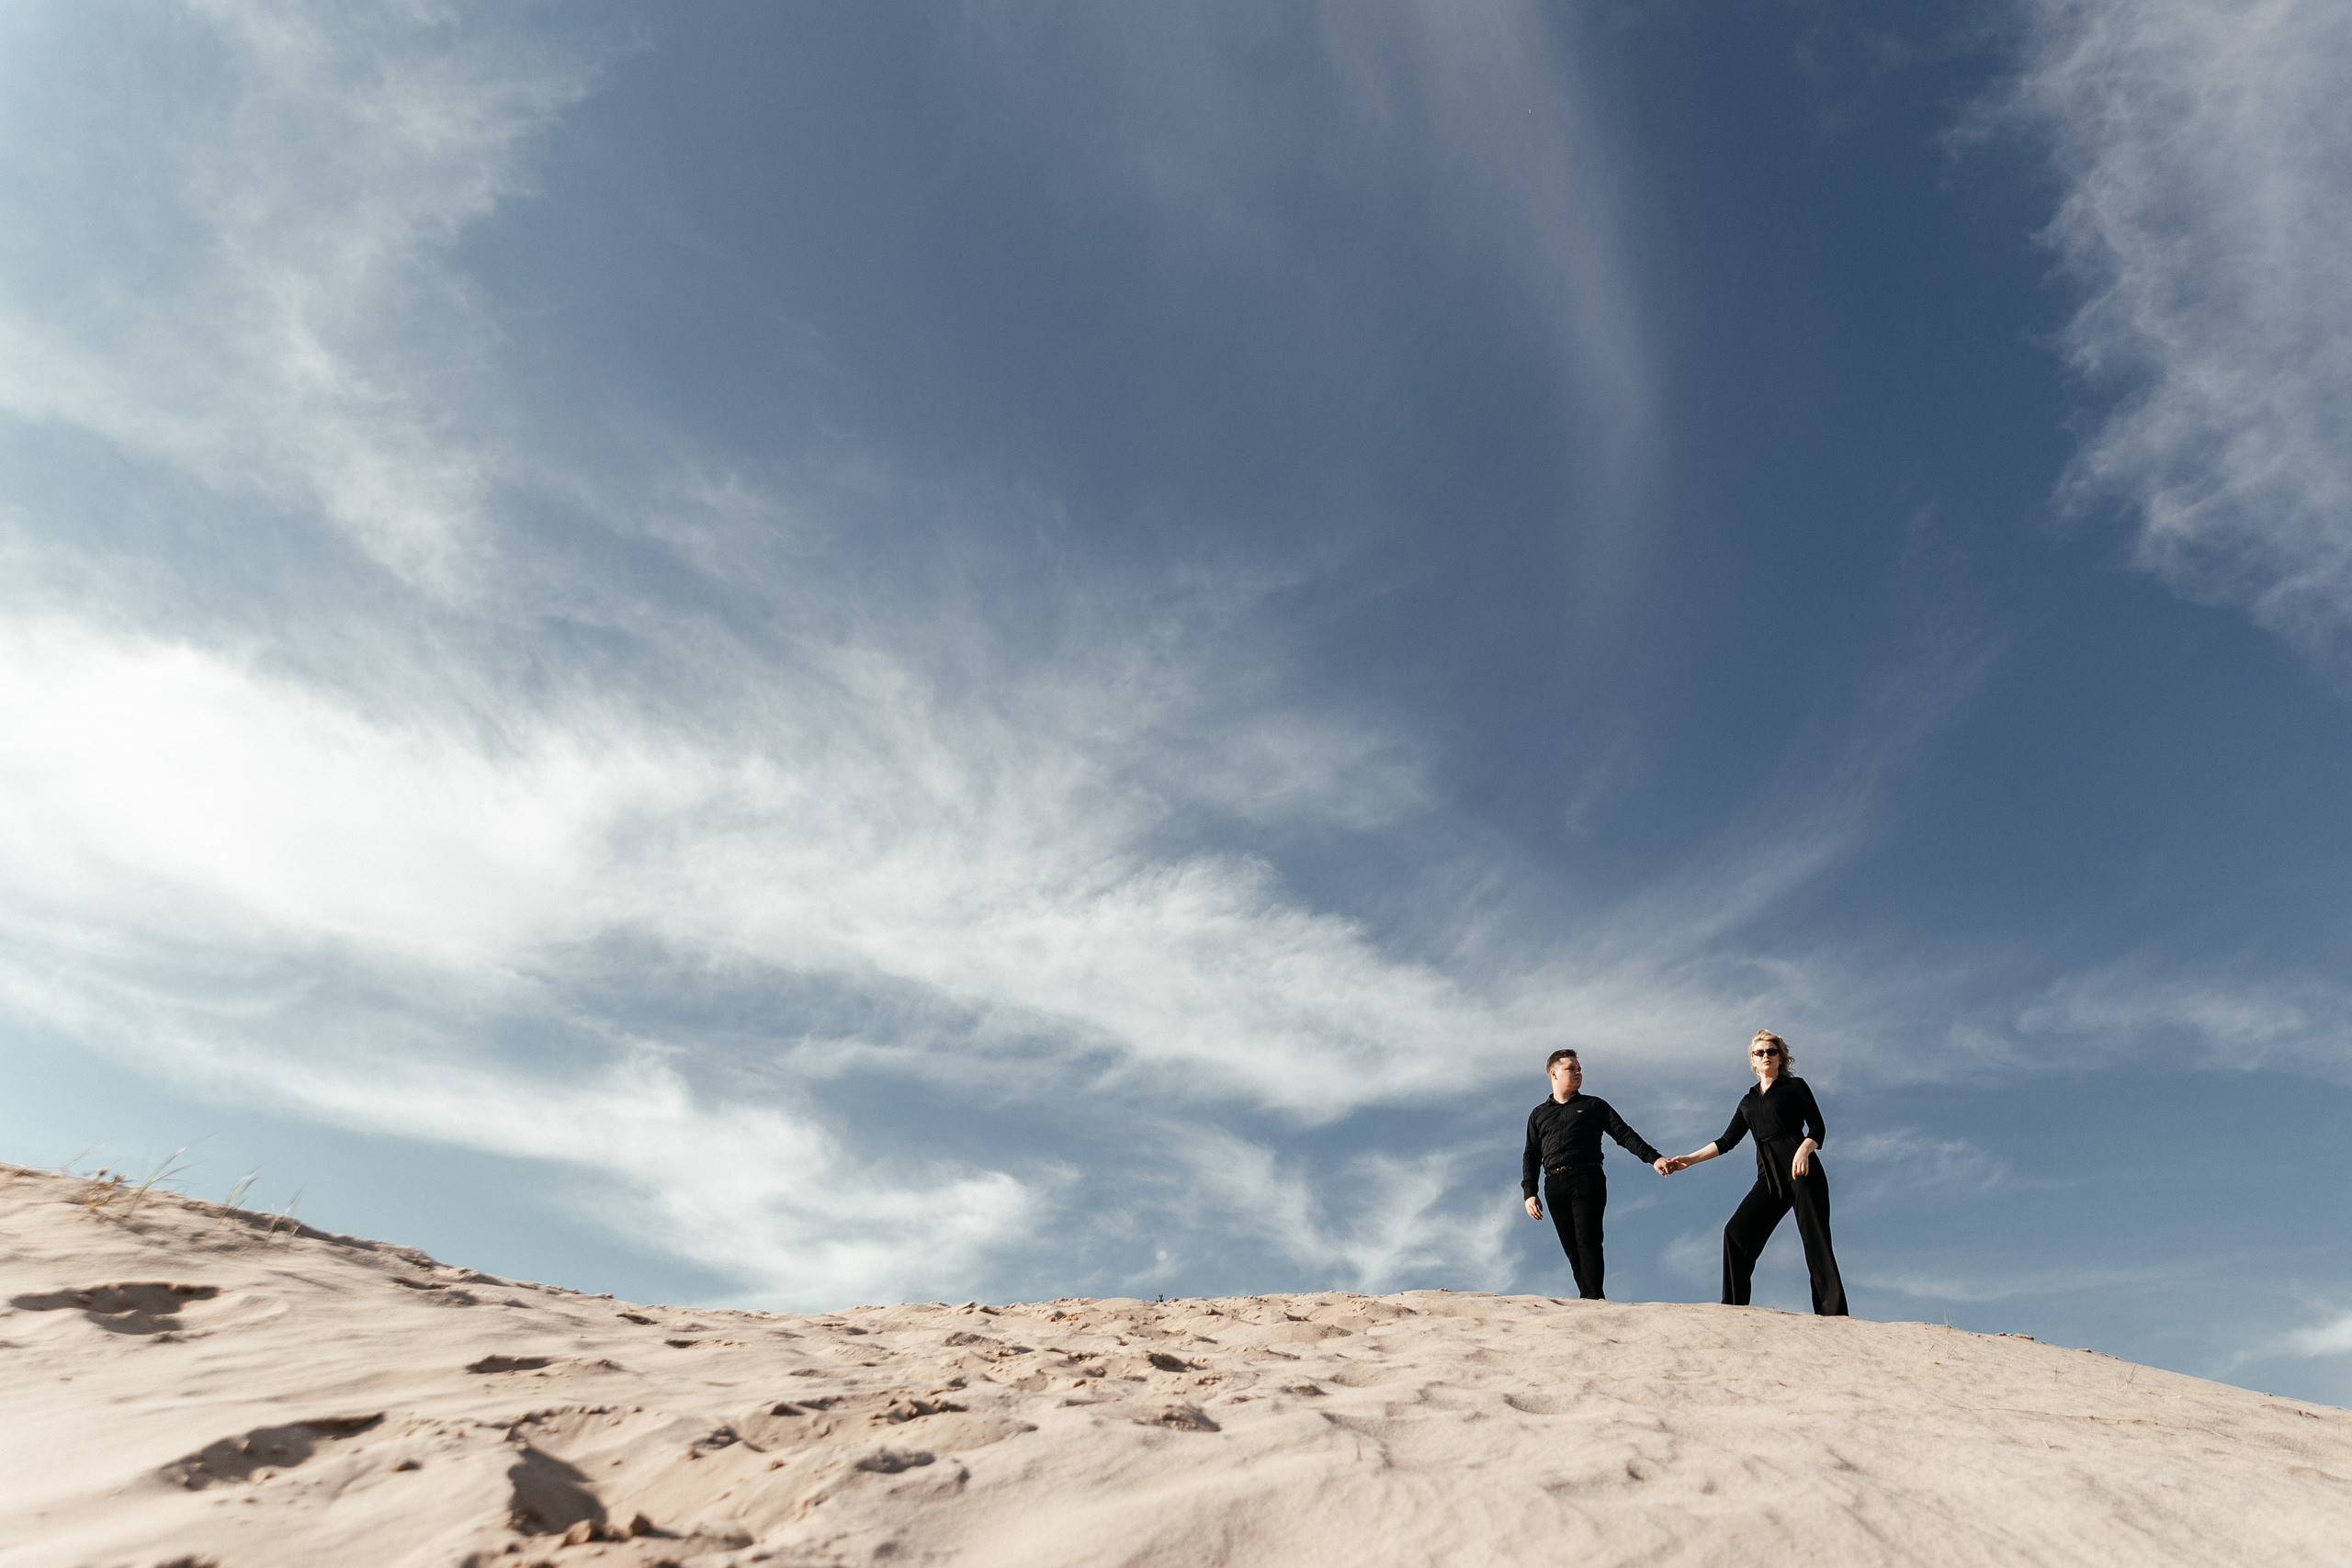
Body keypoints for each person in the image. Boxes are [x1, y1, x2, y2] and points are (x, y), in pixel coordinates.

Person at [1665, 1030, 1849, 1316]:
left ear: (1780, 1057)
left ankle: (1833, 1316)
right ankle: (1733, 1310)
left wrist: (1804, 1150)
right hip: (1769, 1177)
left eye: (1771, 1052)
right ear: (1752, 1060)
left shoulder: (1794, 1086)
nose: (1766, 1056)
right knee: (1736, 1232)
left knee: (1816, 1242)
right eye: (1759, 1053)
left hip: (1802, 1171)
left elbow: (1817, 1127)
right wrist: (1690, 1160)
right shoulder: (1748, 1101)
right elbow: (1727, 1141)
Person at [1521, 1049, 1672, 1301]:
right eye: (1571, 1068)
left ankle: (1591, 1302)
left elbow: (1624, 1134)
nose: (1578, 1073)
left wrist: (1653, 1158)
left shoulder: (1593, 1105)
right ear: (1554, 1074)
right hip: (1553, 1184)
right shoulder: (1538, 1114)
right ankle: (1591, 1299)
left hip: (1586, 1178)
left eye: (1579, 1069)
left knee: (1588, 1241)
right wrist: (1530, 1193)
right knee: (1572, 1250)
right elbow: (1531, 1155)